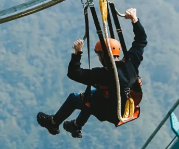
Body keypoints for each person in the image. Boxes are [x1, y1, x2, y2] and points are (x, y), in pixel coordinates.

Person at [37, 8, 147, 138]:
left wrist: (77, 53)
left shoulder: (102, 74)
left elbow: (74, 73)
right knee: (91, 96)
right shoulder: (131, 63)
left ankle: (53, 123)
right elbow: (141, 40)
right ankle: (76, 126)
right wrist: (134, 19)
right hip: (128, 109)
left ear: (103, 56)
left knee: (76, 98)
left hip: (112, 112)